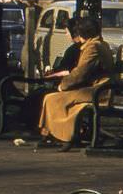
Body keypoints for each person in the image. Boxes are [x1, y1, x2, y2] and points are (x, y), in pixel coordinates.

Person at [37, 18, 115, 151]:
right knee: (53, 98)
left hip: (98, 92)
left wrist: (63, 86)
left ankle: (62, 136)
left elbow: (80, 72)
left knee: (52, 99)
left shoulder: (92, 47)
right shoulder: (100, 44)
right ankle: (51, 134)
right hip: (98, 89)